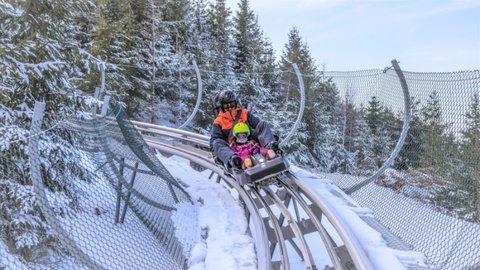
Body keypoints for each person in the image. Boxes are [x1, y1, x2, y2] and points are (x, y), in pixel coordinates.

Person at [210, 90, 279, 170]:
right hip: (233, 146)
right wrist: (217, 155)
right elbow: (214, 141)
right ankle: (233, 159)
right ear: (221, 108)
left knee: (263, 124)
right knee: (217, 142)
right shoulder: (218, 122)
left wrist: (268, 136)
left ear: (236, 103)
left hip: (250, 141)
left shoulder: (244, 113)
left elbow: (258, 125)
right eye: (227, 106)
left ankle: (271, 146)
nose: (230, 108)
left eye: (232, 105)